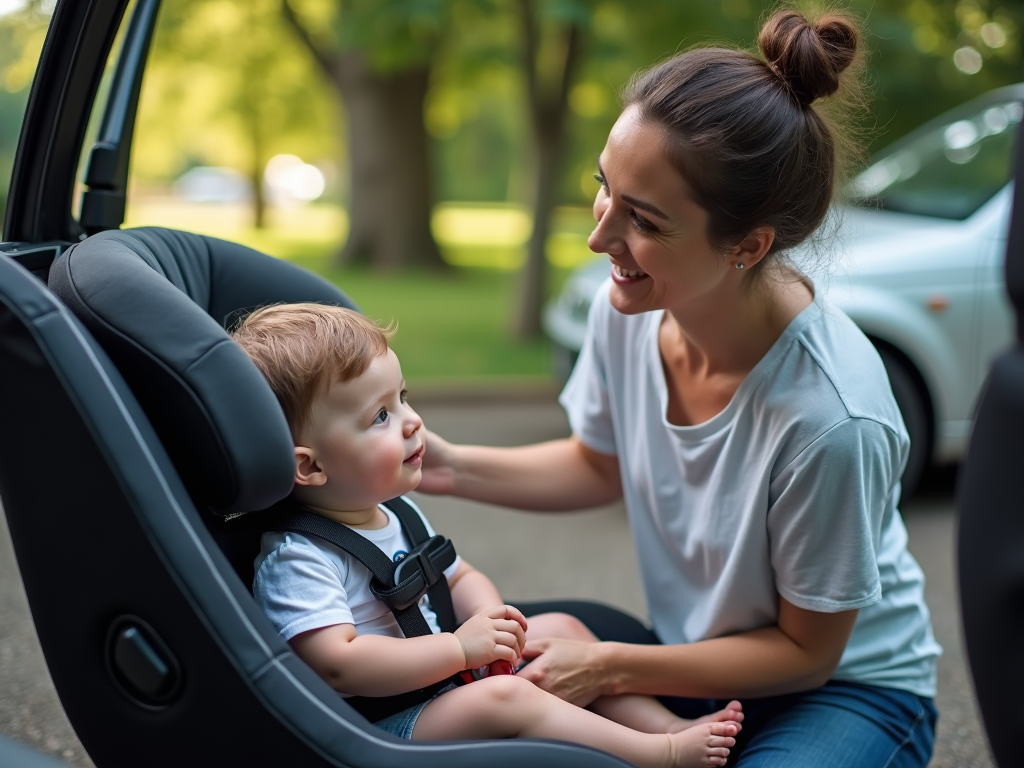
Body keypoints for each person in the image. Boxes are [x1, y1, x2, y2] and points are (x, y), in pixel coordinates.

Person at [417, 8, 942, 768]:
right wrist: (445, 465)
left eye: (645, 220)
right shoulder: (625, 308)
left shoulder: (833, 417)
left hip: (847, 692)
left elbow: (806, 653)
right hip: (697, 659)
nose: (600, 237)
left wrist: (610, 666)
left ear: (748, 245)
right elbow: (601, 463)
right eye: (605, 187)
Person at [230, 303, 743, 768]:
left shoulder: (395, 513)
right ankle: (661, 755)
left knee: (562, 628)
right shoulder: (298, 558)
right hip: (386, 726)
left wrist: (491, 623)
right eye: (380, 416)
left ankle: (665, 724)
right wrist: (459, 650)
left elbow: (458, 573)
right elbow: (339, 665)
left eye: (403, 398)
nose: (412, 423)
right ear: (311, 466)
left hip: (442, 681)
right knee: (508, 699)